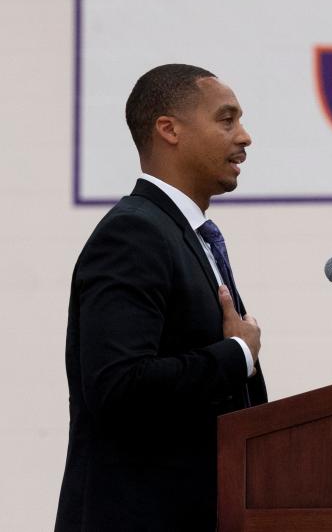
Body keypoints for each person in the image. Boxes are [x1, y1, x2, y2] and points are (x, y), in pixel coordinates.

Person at [55, 64, 268, 531]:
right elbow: (117, 385)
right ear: (169, 130)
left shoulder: (182, 234)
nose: (245, 136)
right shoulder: (134, 234)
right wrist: (235, 355)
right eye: (226, 120)